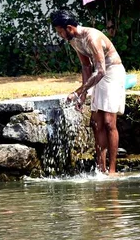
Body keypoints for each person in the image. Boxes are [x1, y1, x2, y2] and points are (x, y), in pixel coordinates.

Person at [50, 10, 126, 175]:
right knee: (96, 123)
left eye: (60, 31)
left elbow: (101, 71)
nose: (60, 35)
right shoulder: (74, 40)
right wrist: (83, 95)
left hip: (111, 72)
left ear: (69, 28)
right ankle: (101, 169)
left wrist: (78, 92)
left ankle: (112, 170)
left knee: (108, 122)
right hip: (97, 75)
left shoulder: (92, 37)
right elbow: (86, 66)